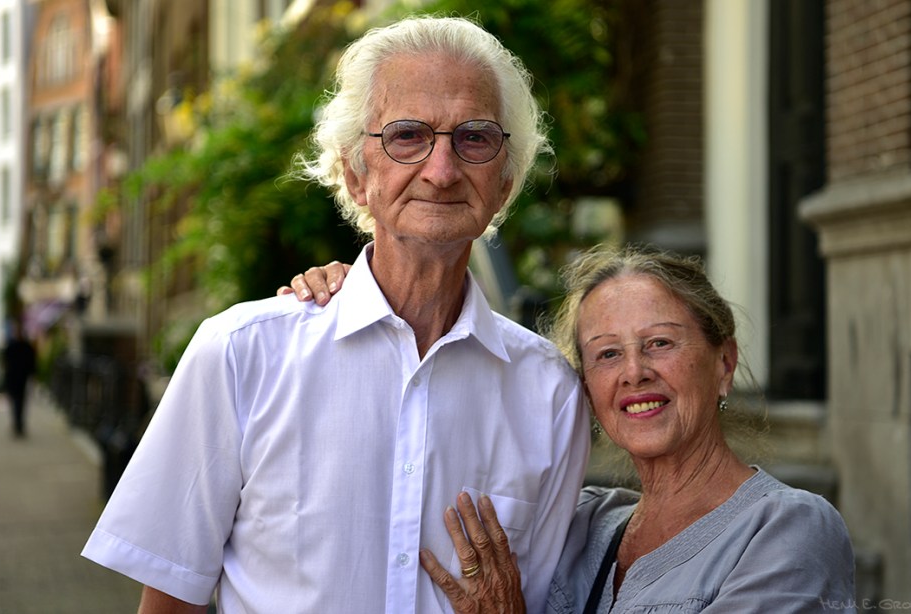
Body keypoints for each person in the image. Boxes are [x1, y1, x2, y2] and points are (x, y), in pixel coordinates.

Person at [81, 16, 590, 614]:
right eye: (407, 136)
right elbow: (170, 602)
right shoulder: (242, 354)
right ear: (355, 175)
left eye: (475, 138)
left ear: (505, 183)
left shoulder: (549, 393)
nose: (443, 169)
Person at [286, 244, 857, 613]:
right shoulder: (579, 523)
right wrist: (367, 289)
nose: (634, 373)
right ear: (587, 389)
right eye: (607, 355)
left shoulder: (789, 530)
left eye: (659, 343)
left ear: (724, 364)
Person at [2, 320, 36, 438]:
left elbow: (31, 363)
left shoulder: (21, 347)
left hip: (19, 378)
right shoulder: (14, 347)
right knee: (17, 402)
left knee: (19, 402)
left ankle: (19, 424)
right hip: (16, 378)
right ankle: (18, 424)